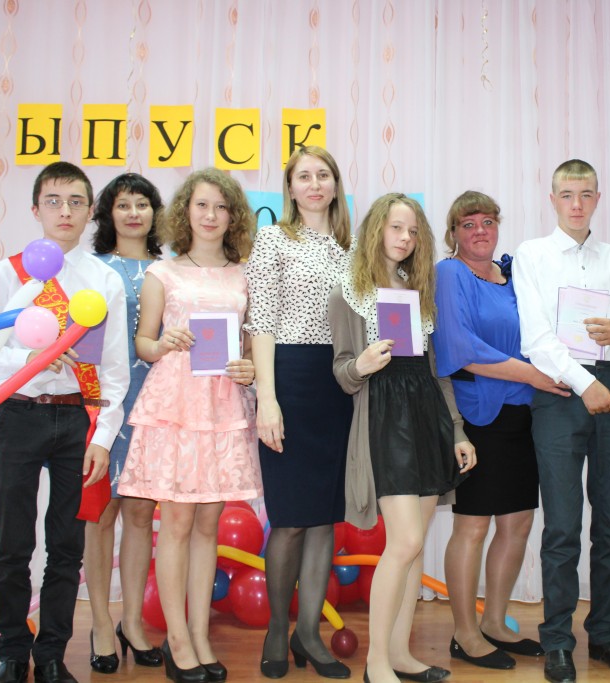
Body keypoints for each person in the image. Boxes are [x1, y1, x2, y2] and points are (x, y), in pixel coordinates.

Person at [0, 161, 130, 683]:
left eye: (76, 202)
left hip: (78, 421)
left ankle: (53, 655)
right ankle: (14, 652)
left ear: (90, 211)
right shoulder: (8, 274)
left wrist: (103, 437)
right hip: (19, 415)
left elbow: (115, 370)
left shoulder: (103, 280)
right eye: (54, 201)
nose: (65, 212)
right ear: (35, 208)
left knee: (66, 546)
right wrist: (31, 361)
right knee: (13, 543)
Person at [116, 168, 259, 683]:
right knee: (175, 523)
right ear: (186, 212)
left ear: (233, 215)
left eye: (221, 206)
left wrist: (248, 366)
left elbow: (249, 346)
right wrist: (164, 343)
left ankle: (200, 636)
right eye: (202, 205)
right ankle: (177, 640)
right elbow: (143, 343)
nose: (211, 215)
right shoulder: (164, 273)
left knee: (207, 526)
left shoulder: (244, 275)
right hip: (175, 404)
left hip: (222, 406)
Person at [328, 193, 477, 683]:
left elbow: (437, 372)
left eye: (412, 231)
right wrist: (361, 364)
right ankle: (376, 663)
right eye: (396, 228)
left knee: (414, 546)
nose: (405, 238)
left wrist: (457, 430)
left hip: (426, 415)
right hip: (384, 416)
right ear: (376, 229)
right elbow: (342, 371)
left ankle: (400, 654)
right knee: (405, 540)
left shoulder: (418, 292)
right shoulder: (349, 292)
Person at [514, 160, 610, 683]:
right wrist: (585, 383)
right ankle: (558, 641)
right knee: (563, 526)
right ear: (552, 199)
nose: (576, 204)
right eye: (567, 194)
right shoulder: (532, 255)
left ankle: (606, 634)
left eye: (586, 194)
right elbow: (536, 338)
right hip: (561, 391)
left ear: (597, 198)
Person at [433, 190, 566, 671]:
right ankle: (464, 633)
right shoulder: (450, 274)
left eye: (488, 222)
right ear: (453, 232)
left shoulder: (512, 275)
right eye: (468, 224)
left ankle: (494, 621)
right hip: (478, 418)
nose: (480, 231)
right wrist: (533, 374)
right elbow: (460, 349)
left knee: (518, 522)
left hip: (522, 417)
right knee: (472, 526)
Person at [245, 146, 355, 679]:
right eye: (303, 176)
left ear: (335, 185)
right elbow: (261, 323)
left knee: (325, 518)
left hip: (340, 386)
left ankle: (309, 633)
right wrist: (267, 398)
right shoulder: (273, 239)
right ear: (289, 188)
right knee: (290, 519)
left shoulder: (352, 249)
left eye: (323, 175)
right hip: (289, 379)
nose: (314, 184)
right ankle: (276, 628)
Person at [84, 172, 165, 674]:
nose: (134, 213)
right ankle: (99, 623)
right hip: (102, 405)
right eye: (123, 205)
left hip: (155, 405)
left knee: (139, 514)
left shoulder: (169, 269)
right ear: (108, 213)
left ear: (155, 212)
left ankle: (132, 622)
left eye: (142, 204)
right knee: (100, 515)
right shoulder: (91, 270)